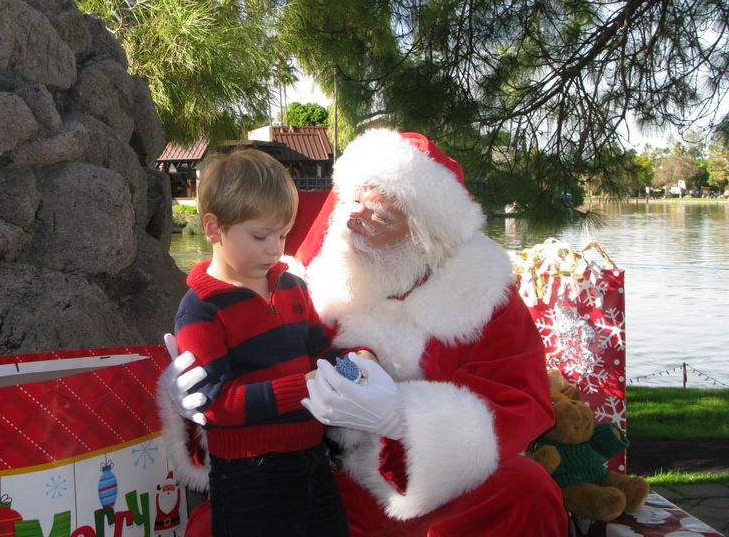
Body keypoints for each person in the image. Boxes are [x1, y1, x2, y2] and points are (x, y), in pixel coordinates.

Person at [162, 130, 568, 536]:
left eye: (382, 216)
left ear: (424, 236)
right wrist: (193, 405)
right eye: (353, 200)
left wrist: (400, 418)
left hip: (433, 490)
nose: (355, 220)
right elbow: (249, 361)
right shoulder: (309, 267)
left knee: (529, 492)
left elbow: (518, 404)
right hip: (325, 476)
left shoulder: (482, 297)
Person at [159, 148, 355, 537]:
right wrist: (307, 387)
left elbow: (321, 352)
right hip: (249, 474)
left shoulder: (292, 287)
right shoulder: (201, 309)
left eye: (283, 234)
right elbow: (216, 403)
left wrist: (356, 365)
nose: (275, 249)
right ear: (213, 228)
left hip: (312, 458)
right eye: (261, 236)